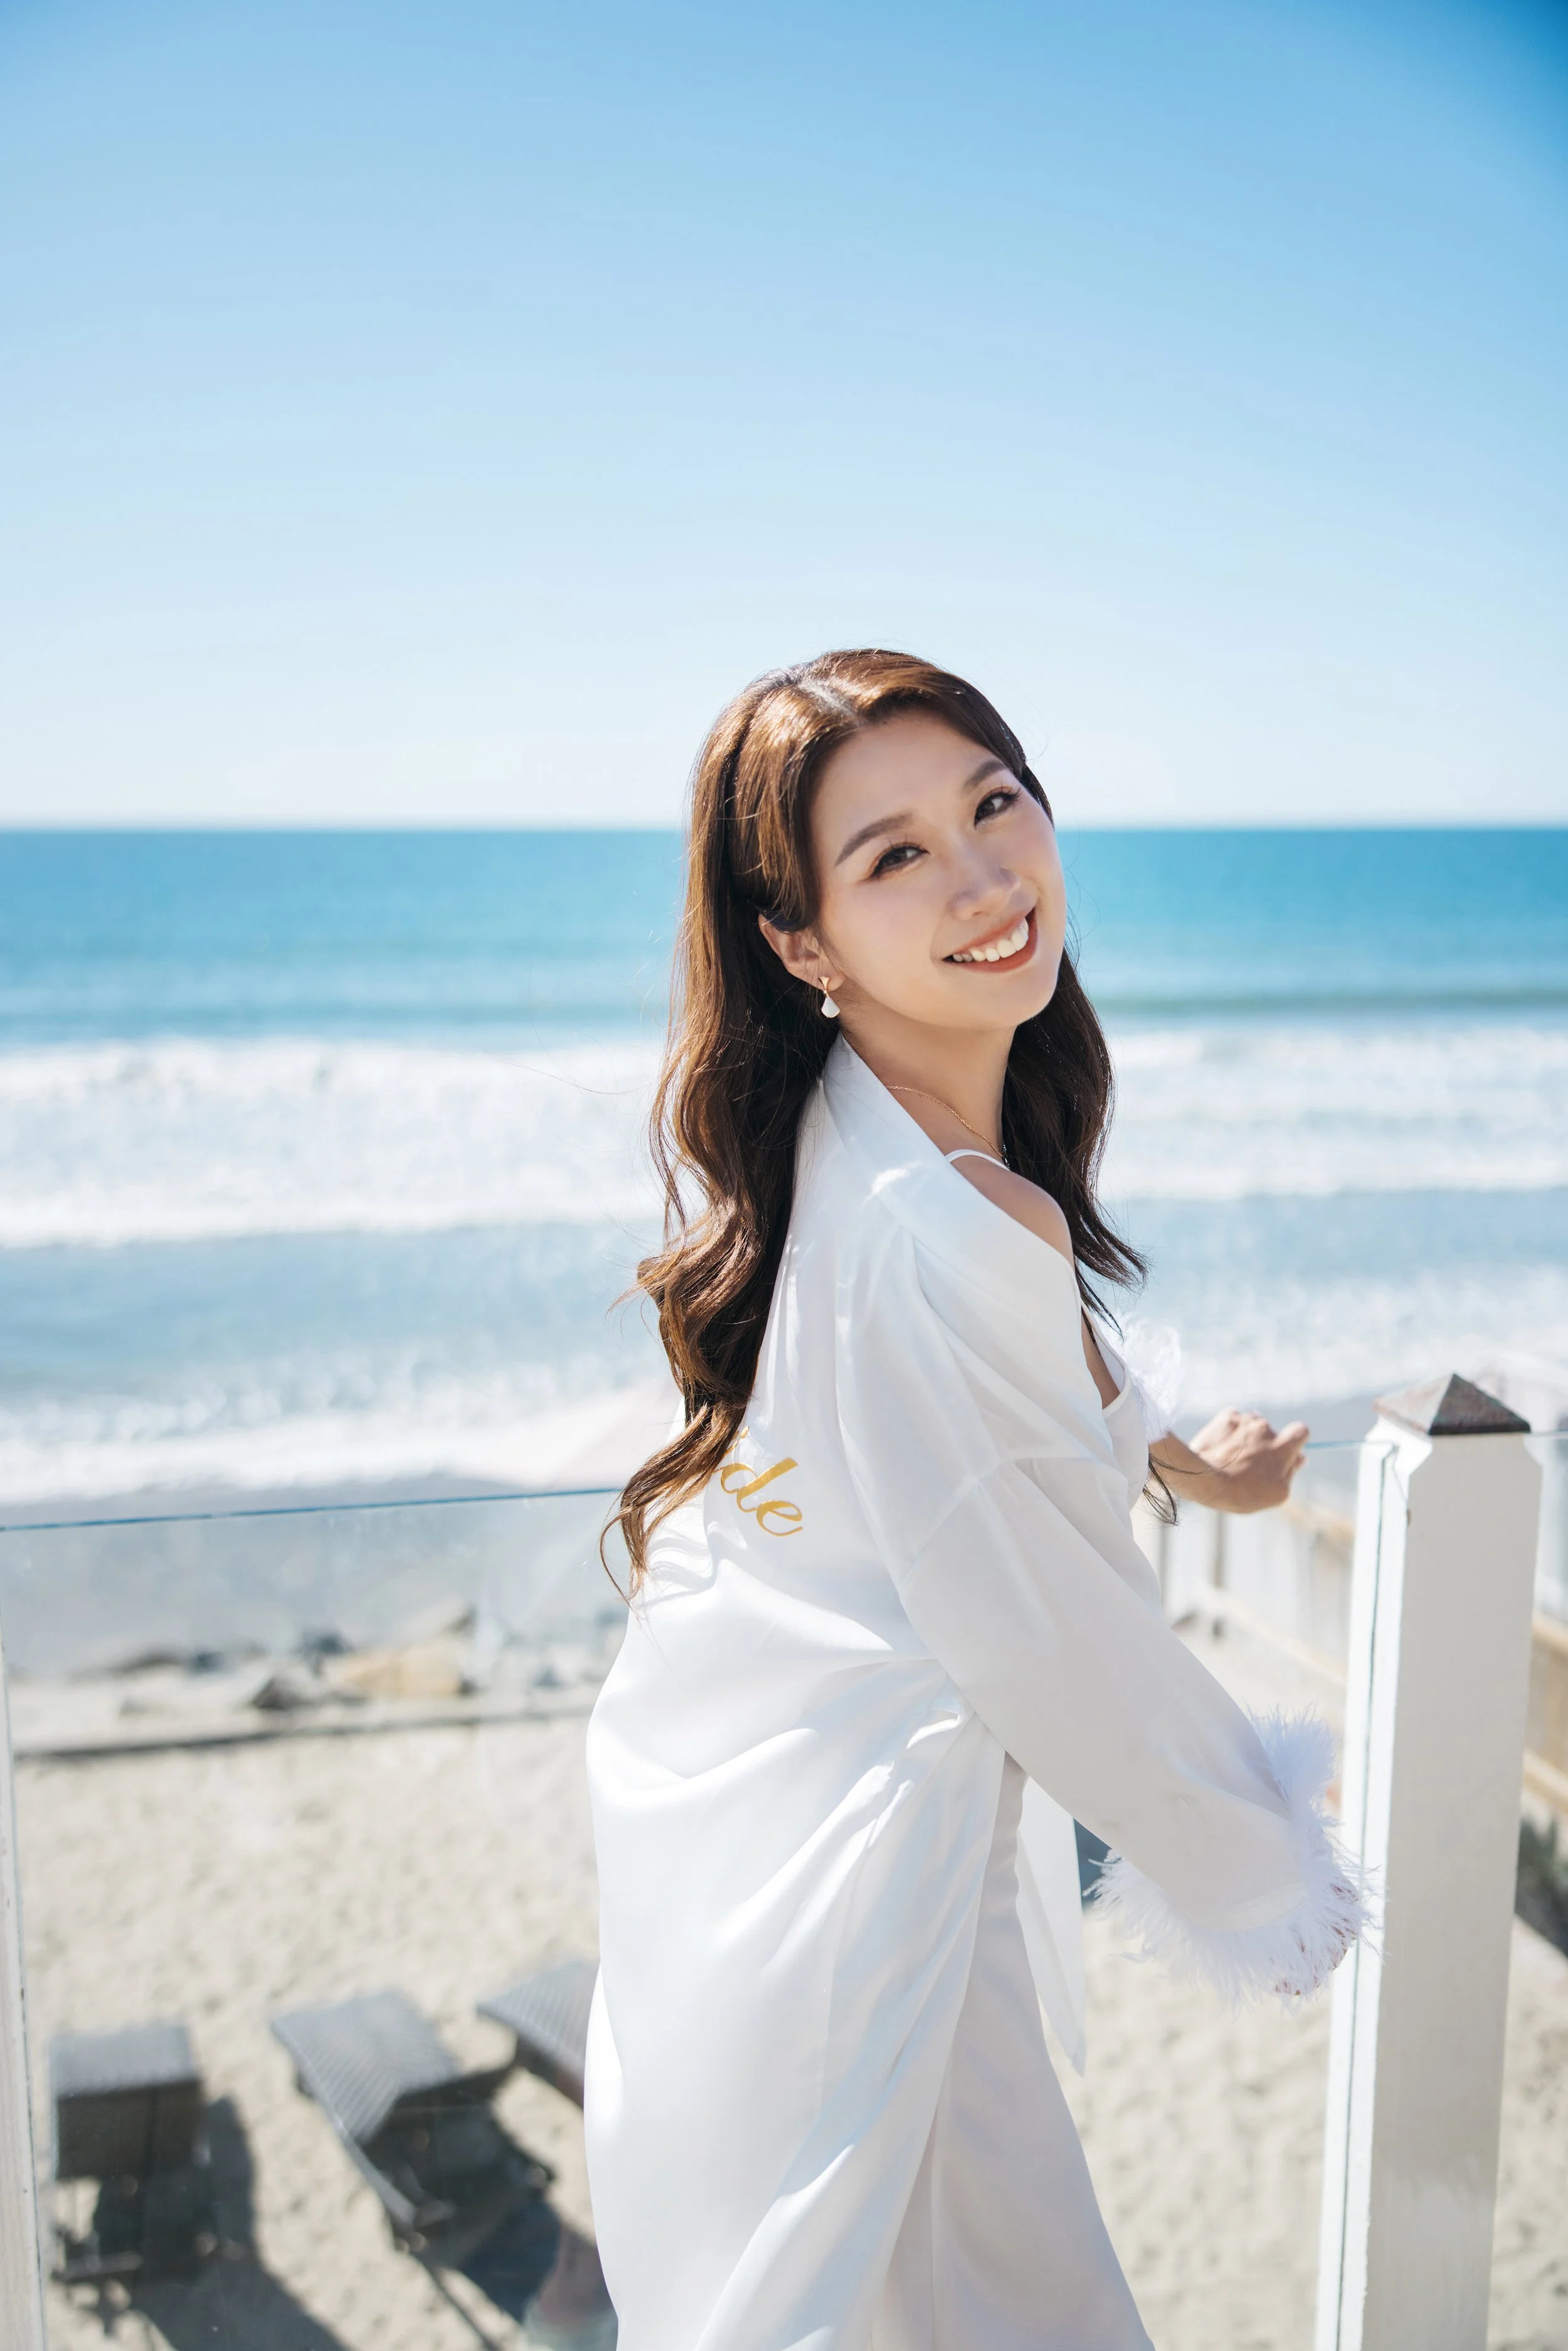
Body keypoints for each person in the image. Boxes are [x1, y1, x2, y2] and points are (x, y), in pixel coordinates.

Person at [584, 650, 1362, 2351]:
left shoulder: (855, 1124)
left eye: (992, 804)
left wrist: (1175, 1456)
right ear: (798, 943)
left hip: (731, 1786)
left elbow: (992, 1408)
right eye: (893, 857)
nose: (983, 878)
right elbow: (1039, 1629)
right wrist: (1257, 1854)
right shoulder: (956, 1208)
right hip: (866, 1849)